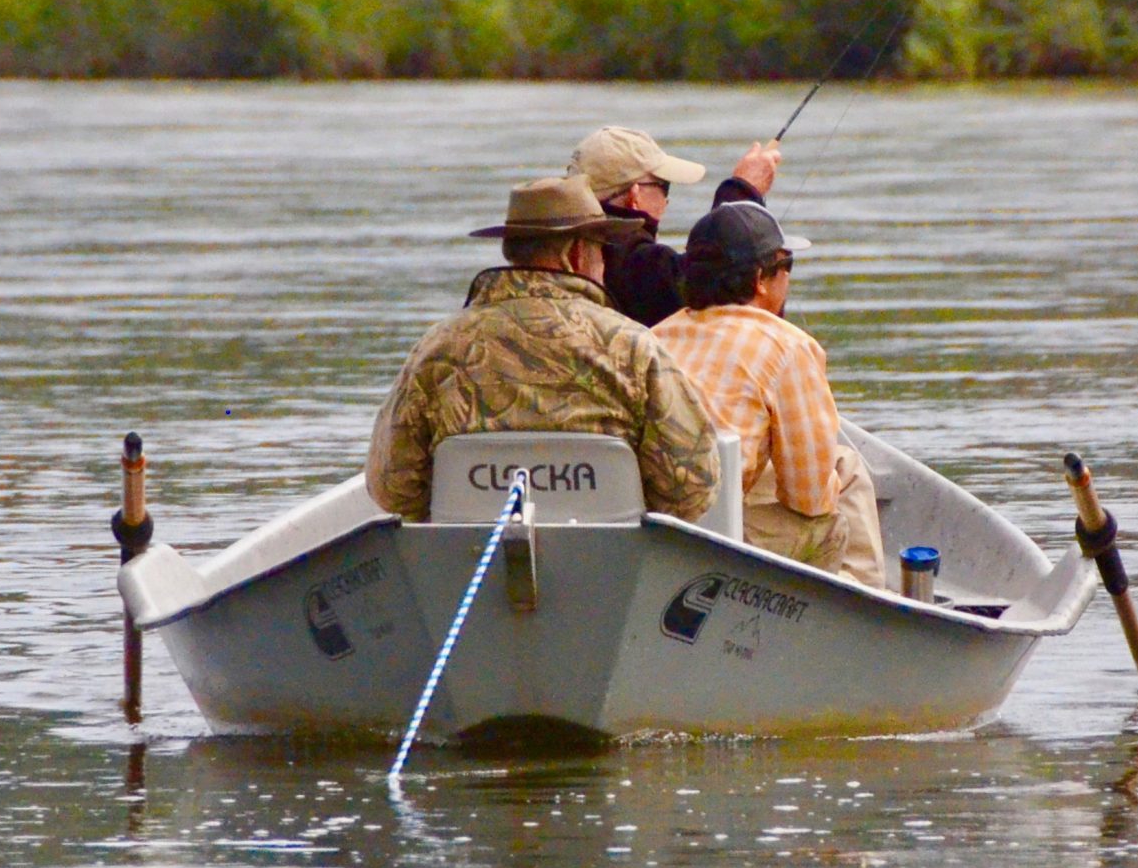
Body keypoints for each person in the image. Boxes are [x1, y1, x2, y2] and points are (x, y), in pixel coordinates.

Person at [367, 177, 721, 522]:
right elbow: (692, 488)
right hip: (614, 563)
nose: (603, 265)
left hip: (467, 558)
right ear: (577, 254)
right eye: (601, 251)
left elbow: (391, 488)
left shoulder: (438, 347)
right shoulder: (633, 348)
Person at [653, 202, 885, 589]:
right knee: (840, 482)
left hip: (653, 527)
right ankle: (867, 599)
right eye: (787, 267)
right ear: (761, 279)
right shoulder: (788, 346)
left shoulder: (654, 336)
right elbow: (808, 497)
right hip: (714, 537)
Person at [568, 125, 781, 329]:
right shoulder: (635, 265)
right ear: (635, 196)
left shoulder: (558, 247)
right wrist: (743, 192)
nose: (666, 202)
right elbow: (714, 282)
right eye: (664, 187)